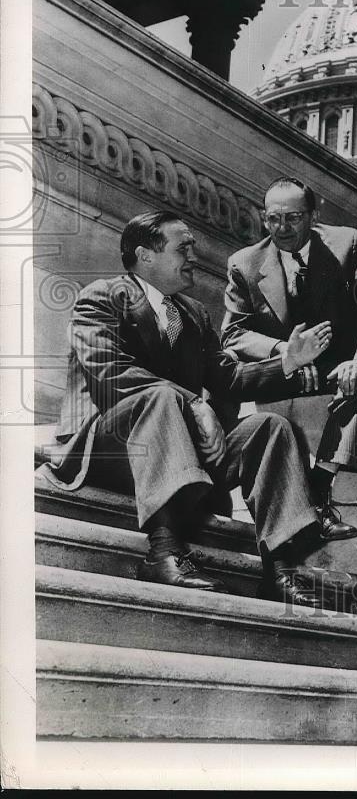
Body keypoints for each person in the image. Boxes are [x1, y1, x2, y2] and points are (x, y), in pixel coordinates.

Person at [41, 210, 335, 608]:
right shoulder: (102, 296)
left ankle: (280, 570)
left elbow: (229, 379)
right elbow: (111, 374)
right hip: (108, 450)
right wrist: (194, 403)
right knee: (161, 398)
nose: (193, 256)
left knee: (270, 428)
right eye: (184, 248)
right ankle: (163, 552)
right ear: (146, 255)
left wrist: (288, 362)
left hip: (174, 453)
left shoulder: (194, 314)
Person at [221, 177, 357, 541]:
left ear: (314, 215)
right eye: (273, 219)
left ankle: (319, 488)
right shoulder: (244, 263)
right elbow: (234, 333)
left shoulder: (348, 243)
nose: (282, 229)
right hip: (287, 368)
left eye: (294, 218)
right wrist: (284, 352)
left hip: (340, 369)